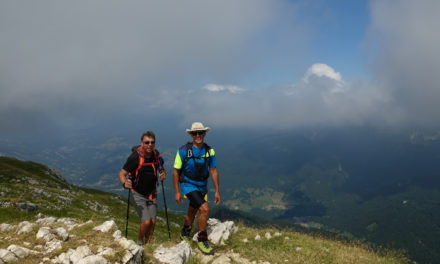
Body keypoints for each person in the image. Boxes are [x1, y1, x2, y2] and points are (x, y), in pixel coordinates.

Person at [173, 122, 221, 255]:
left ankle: (185, 232)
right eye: (195, 133)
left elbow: (213, 170)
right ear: (191, 135)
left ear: (205, 134)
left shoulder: (209, 151)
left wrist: (217, 190)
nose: (198, 135)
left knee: (192, 210)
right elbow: (175, 171)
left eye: (200, 132)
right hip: (187, 185)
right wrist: (177, 191)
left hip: (202, 186)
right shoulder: (183, 150)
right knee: (205, 209)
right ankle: (202, 238)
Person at [118, 131, 166, 245]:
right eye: (147, 142)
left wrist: (163, 173)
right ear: (142, 143)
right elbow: (121, 174)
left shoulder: (156, 155)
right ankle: (139, 243)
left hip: (151, 193)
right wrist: (125, 183)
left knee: (153, 222)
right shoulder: (135, 157)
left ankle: (148, 244)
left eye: (152, 142)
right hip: (137, 194)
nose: (150, 145)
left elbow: (161, 168)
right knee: (146, 222)